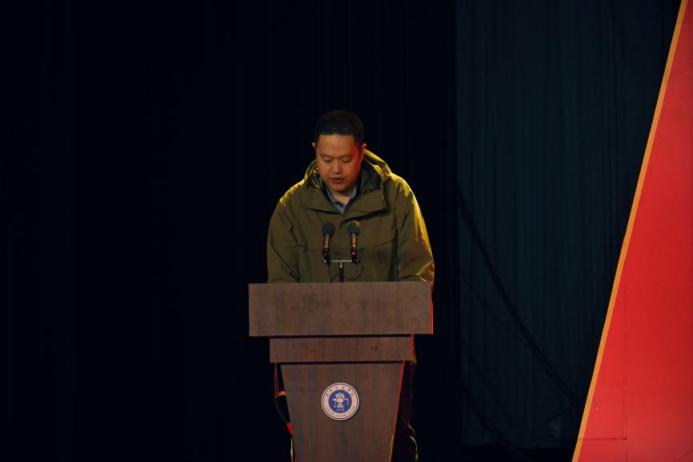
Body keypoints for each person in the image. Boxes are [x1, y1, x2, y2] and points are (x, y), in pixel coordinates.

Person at [266, 110, 434, 461]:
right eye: (326, 159)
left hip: (385, 352)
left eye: (345, 159)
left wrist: (393, 324)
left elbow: (417, 272)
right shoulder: (292, 206)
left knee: (392, 440)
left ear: (362, 152)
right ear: (314, 151)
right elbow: (281, 287)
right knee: (319, 440)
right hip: (310, 355)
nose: (335, 169)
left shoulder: (397, 196)